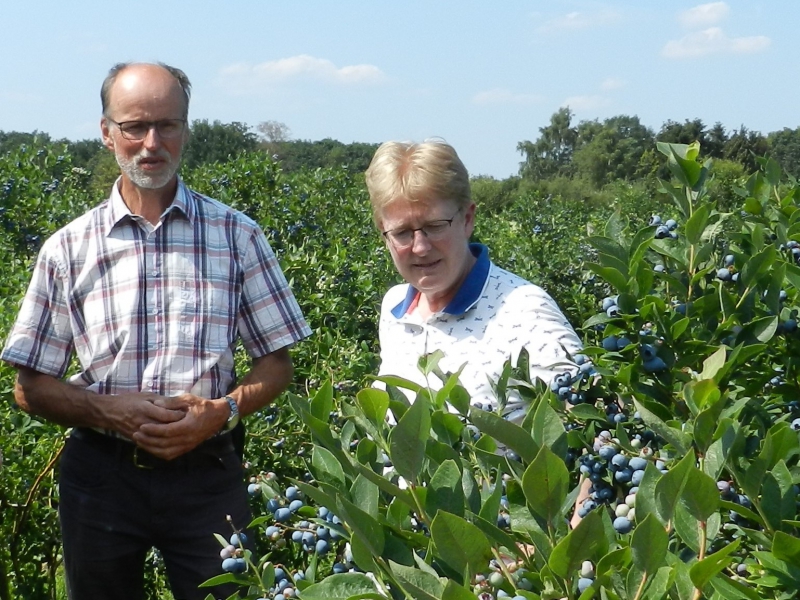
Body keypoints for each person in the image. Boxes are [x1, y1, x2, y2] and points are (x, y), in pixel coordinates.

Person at [1, 62, 312, 600]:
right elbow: (28, 388)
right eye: (134, 126)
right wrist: (107, 411)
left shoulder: (237, 235)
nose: (152, 142)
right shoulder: (68, 249)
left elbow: (276, 364)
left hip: (208, 474)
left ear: (187, 130)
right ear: (106, 133)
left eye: (168, 125)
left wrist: (222, 412)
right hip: (101, 479)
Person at [365, 140, 582, 422]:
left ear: (467, 219)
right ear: (384, 233)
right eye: (402, 232)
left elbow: (588, 420)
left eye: (434, 226)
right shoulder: (395, 306)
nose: (420, 246)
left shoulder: (525, 310)